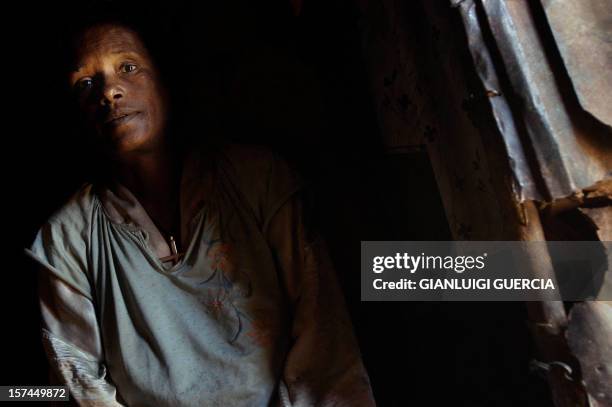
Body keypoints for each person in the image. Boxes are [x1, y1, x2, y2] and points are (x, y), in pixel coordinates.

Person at [25, 10, 375, 407]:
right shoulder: (68, 237)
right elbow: (77, 381)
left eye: (128, 67)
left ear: (165, 80)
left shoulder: (256, 180)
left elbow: (324, 341)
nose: (109, 91)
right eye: (86, 82)